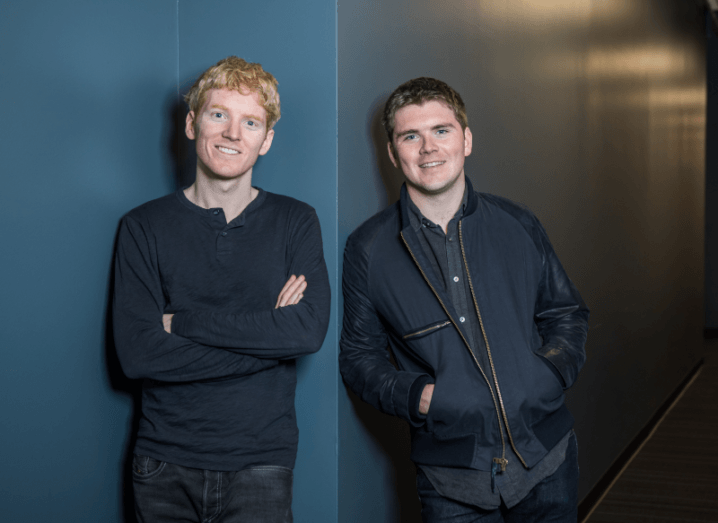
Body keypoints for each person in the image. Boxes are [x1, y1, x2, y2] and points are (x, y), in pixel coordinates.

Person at [339, 77, 589, 522]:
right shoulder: (368, 248)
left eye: (442, 130)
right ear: (394, 153)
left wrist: (545, 375)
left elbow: (566, 313)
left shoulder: (518, 223)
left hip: (547, 461)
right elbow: (360, 358)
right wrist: (421, 396)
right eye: (410, 136)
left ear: (466, 139)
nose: (428, 148)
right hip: (451, 477)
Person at [113, 56, 330, 523]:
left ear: (266, 140)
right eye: (218, 115)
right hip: (163, 462)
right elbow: (139, 355)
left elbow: (307, 334)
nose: (233, 134)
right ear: (192, 125)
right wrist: (270, 336)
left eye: (250, 122)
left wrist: (183, 323)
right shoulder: (142, 226)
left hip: (262, 464)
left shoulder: (296, 221)